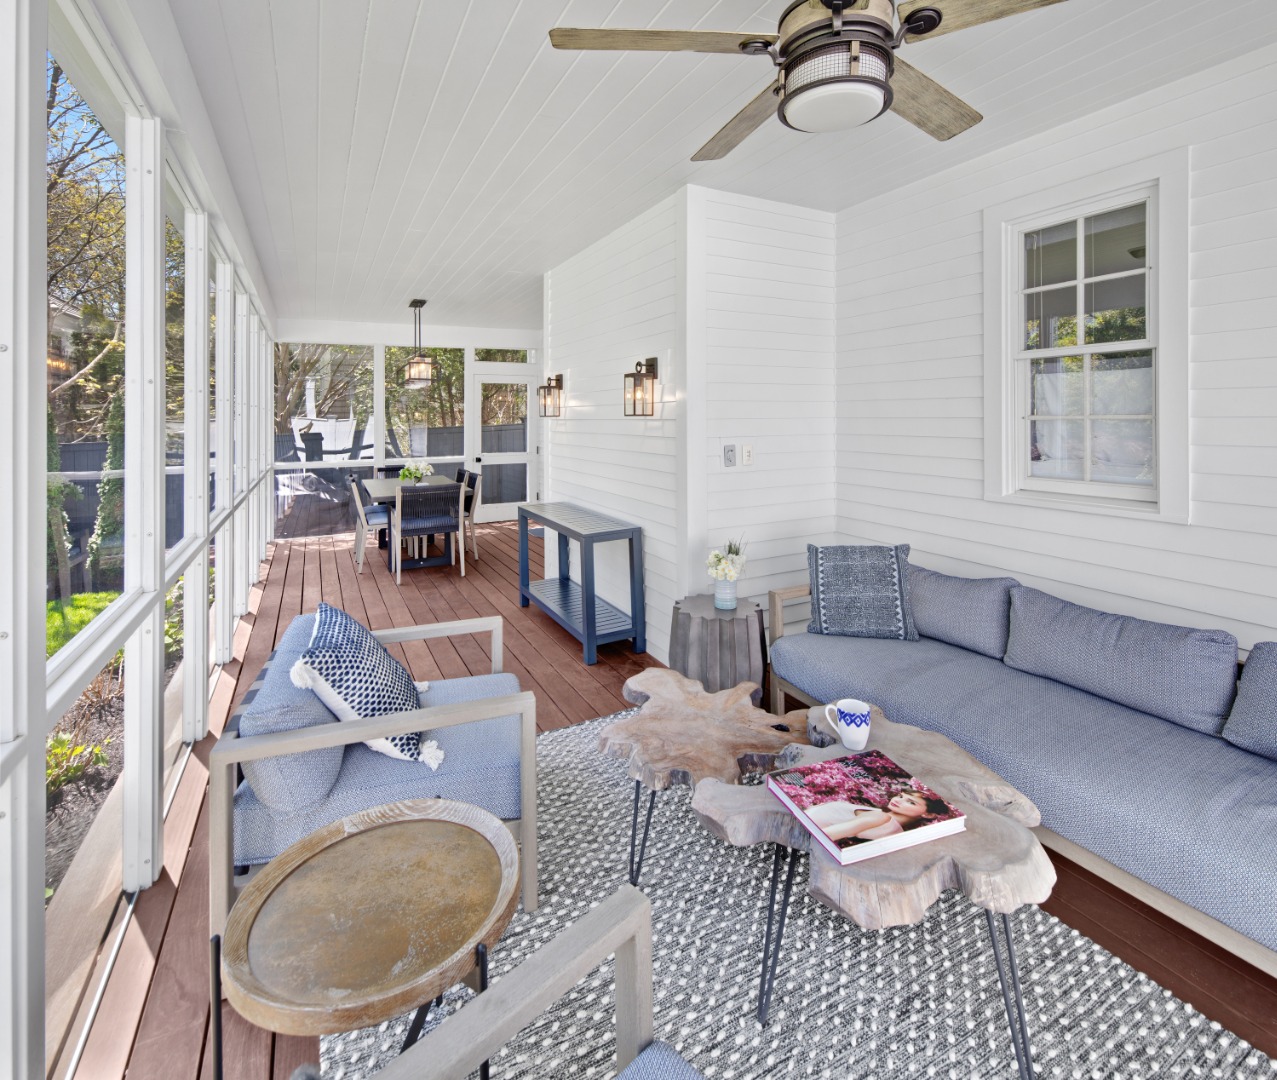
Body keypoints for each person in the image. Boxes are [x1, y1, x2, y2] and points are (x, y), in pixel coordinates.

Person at [807, 788, 950, 844]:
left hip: (805, 827)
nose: (897, 800)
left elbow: (828, 834)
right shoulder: (894, 830)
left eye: (910, 802)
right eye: (900, 796)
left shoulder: (881, 818)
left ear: (929, 814)